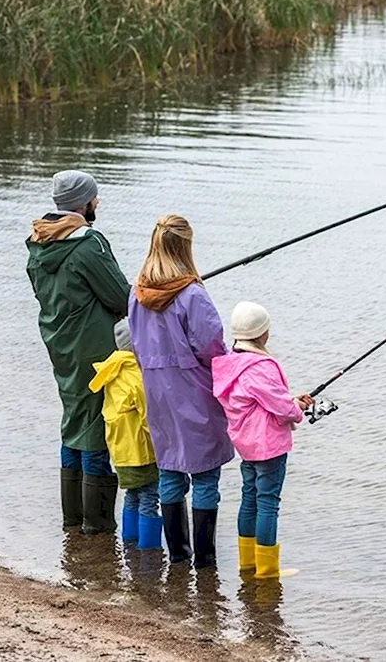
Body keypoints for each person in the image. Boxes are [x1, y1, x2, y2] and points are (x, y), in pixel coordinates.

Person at [26, 170, 131, 534]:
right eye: (94, 198)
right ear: (84, 203)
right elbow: (121, 298)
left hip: (59, 344)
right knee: (96, 428)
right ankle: (97, 526)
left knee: (73, 421)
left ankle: (73, 520)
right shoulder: (89, 244)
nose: (97, 202)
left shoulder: (38, 243)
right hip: (96, 349)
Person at [128, 214, 234, 569]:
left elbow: (137, 344)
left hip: (157, 391)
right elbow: (212, 348)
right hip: (194, 389)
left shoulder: (137, 292)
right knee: (205, 475)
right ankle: (204, 561)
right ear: (185, 246)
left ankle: (178, 556)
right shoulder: (192, 295)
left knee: (170, 471)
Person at [211, 302, 313, 579]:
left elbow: (258, 401)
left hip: (246, 444)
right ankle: (267, 569)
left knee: (250, 498)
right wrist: (297, 408)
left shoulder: (229, 365)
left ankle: (247, 562)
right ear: (262, 334)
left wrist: (290, 401)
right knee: (268, 502)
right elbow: (281, 408)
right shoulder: (260, 368)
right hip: (268, 445)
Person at [88, 319, 162, 550]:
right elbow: (149, 417)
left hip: (120, 451)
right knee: (149, 497)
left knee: (132, 494)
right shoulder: (136, 376)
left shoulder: (113, 370)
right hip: (141, 451)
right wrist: (165, 442)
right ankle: (149, 549)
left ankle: (129, 542)